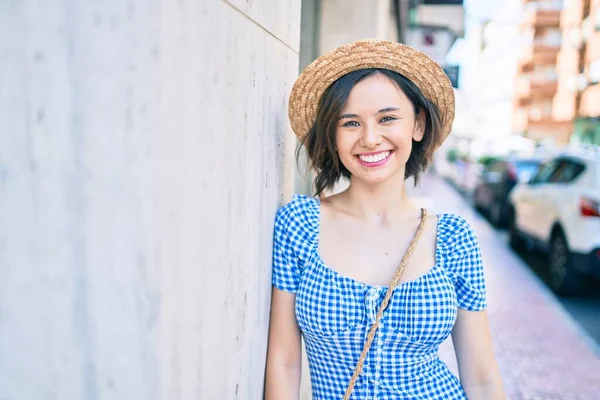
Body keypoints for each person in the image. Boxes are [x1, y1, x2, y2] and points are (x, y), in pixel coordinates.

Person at [265, 39, 505, 400]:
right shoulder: (299, 225)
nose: (371, 138)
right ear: (332, 133)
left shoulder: (453, 238)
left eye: (387, 118)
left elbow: (482, 378)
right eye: (350, 122)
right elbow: (284, 362)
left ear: (418, 124)